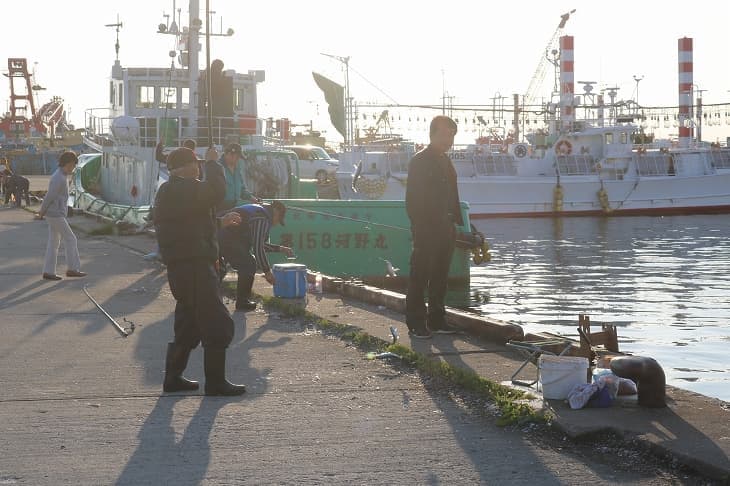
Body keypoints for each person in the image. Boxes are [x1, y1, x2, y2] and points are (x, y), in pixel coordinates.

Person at [154, 146, 247, 396]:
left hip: (185, 266)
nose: (199, 168)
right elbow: (216, 192)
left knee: (189, 323)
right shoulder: (181, 188)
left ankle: (173, 378)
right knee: (217, 322)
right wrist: (214, 163)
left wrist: (219, 223)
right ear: (183, 168)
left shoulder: (173, 191)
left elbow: (189, 223)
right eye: (196, 163)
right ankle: (215, 383)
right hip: (193, 266)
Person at [404, 116, 464, 338]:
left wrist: (454, 221)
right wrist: (420, 226)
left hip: (446, 226)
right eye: (446, 134)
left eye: (452, 135)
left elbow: (451, 194)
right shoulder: (420, 161)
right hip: (427, 227)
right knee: (420, 274)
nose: (449, 139)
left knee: (441, 275)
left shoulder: (445, 160)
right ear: (433, 133)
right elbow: (412, 199)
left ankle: (437, 319)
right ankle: (416, 321)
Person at [219, 201, 293, 311]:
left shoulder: (258, 212)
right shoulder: (262, 218)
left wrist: (281, 249)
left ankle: (206, 298)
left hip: (216, 234)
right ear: (276, 211)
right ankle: (243, 303)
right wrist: (267, 272)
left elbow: (258, 243)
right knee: (248, 263)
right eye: (279, 219)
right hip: (225, 237)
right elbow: (258, 247)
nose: (276, 224)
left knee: (218, 269)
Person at [36, 151, 85, 281]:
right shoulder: (59, 178)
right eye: (72, 165)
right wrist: (41, 212)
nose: (73, 168)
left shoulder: (60, 175)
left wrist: (43, 212)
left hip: (54, 213)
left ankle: (48, 271)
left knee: (54, 242)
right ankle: (72, 269)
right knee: (71, 239)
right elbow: (49, 196)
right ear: (67, 164)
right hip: (55, 214)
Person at [219, 143, 257, 212]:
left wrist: (252, 198)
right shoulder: (218, 167)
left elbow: (242, 189)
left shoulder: (237, 169)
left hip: (234, 207)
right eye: (237, 157)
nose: (238, 159)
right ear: (229, 154)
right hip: (220, 208)